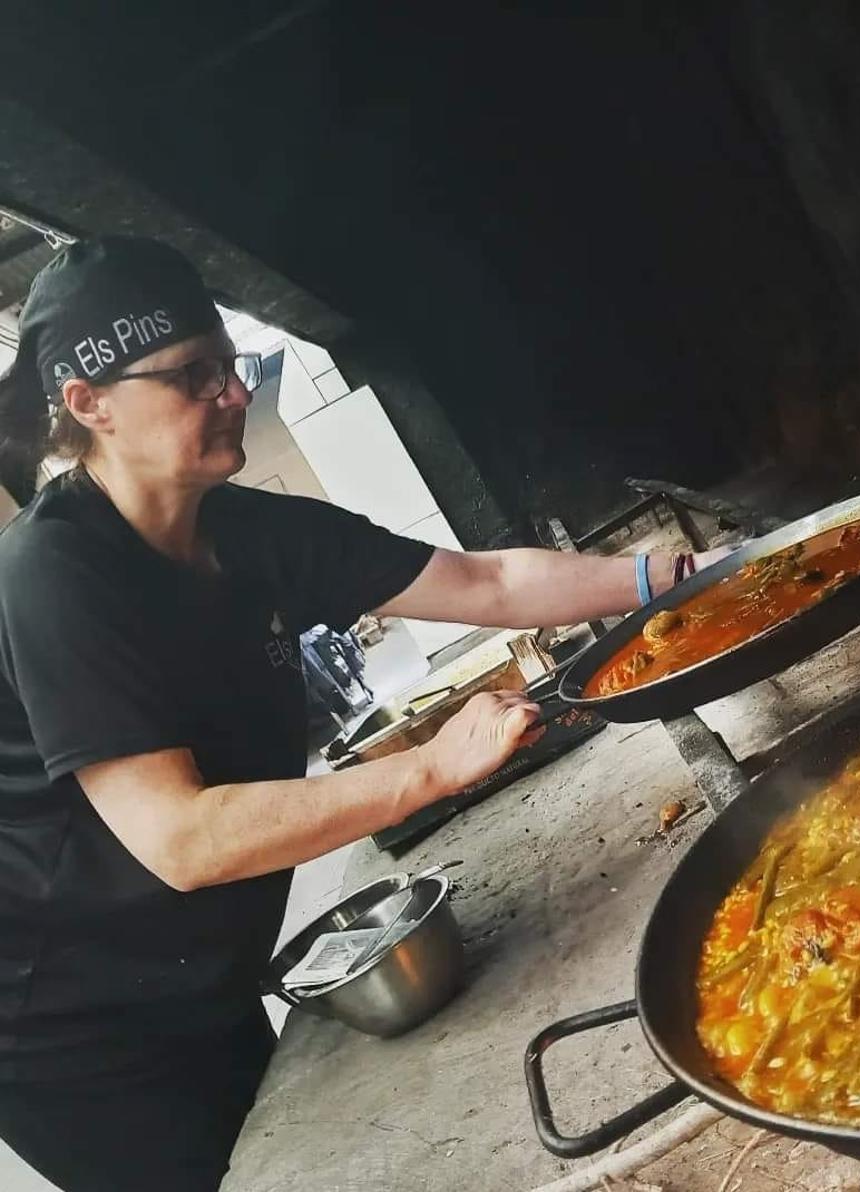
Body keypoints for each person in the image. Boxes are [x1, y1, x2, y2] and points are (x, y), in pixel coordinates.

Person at [0, 236, 726, 1192]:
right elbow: (179, 837)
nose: (233, 392)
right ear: (87, 404)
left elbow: (485, 580)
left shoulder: (245, 527)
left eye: (229, 362)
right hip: (67, 1021)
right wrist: (426, 769)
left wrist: (668, 580)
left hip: (197, 960)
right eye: (192, 376)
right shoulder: (54, 576)